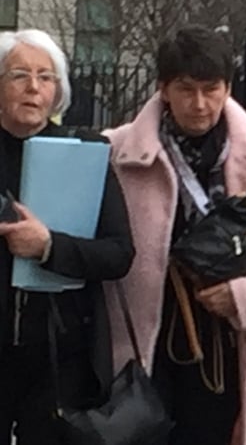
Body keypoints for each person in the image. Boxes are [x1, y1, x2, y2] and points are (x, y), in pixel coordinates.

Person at [103, 26, 246, 445]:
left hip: (226, 342)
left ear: (227, 88)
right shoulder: (118, 153)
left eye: (211, 89)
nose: (200, 104)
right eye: (186, 89)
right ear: (163, 88)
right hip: (142, 344)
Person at [0, 29, 135, 445]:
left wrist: (49, 247)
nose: (33, 87)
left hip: (60, 356)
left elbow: (119, 253)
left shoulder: (85, 152)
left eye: (46, 77)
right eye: (19, 74)